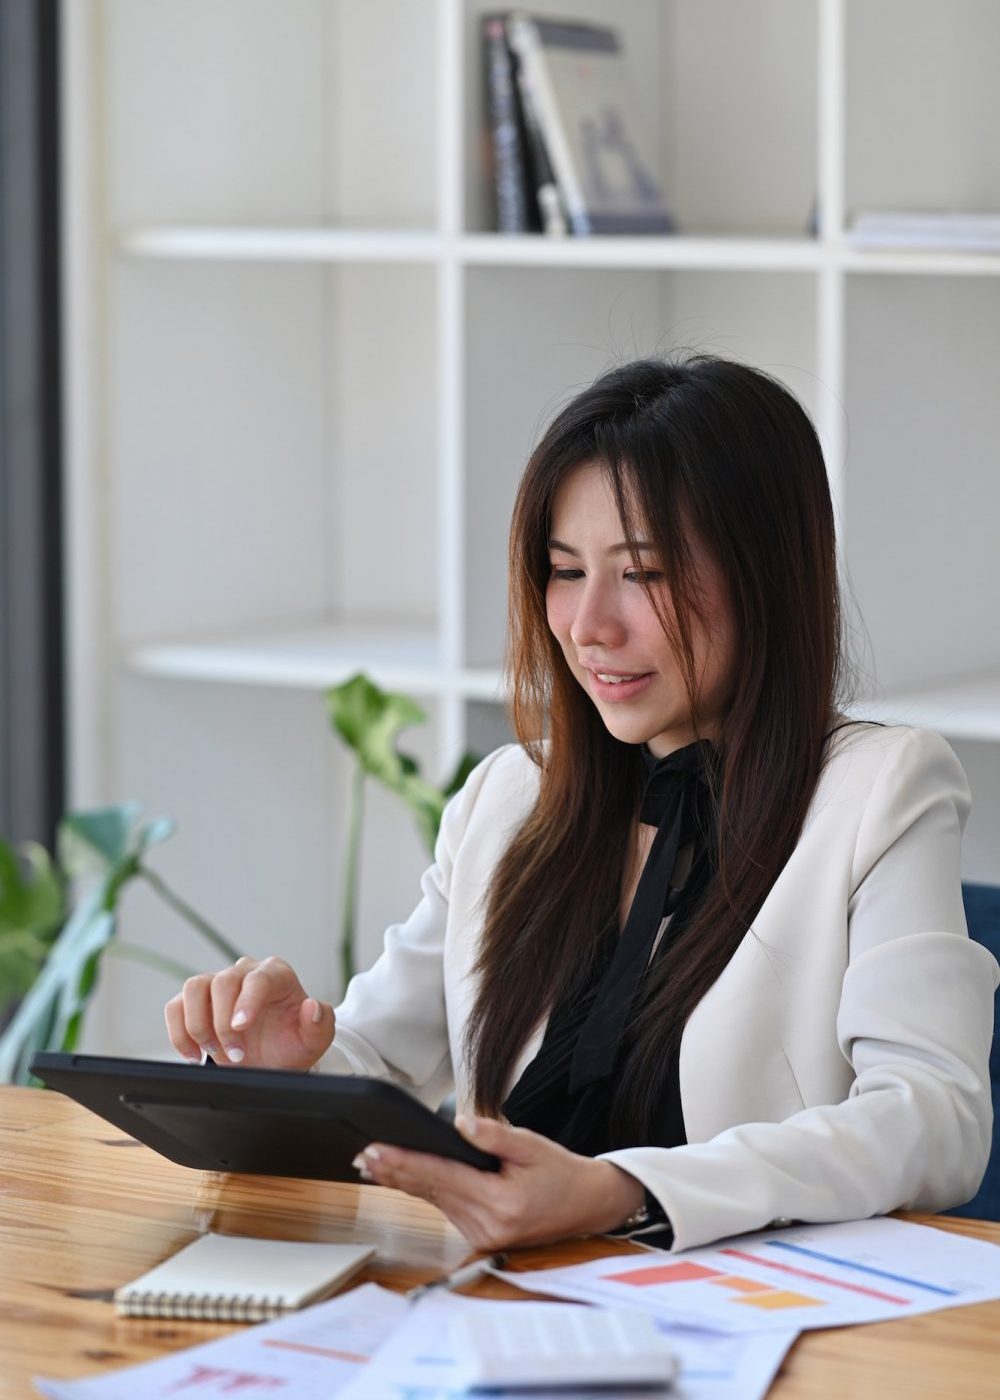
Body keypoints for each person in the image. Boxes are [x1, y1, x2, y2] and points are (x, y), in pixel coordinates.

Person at [165, 356, 998, 1253]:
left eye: (640, 574)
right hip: (504, 1313)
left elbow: (934, 1119)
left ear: (764, 573)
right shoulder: (507, 796)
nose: (590, 624)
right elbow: (380, 1062)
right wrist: (299, 1064)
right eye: (565, 571)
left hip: (744, 1328)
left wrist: (619, 1192)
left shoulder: (879, 791)